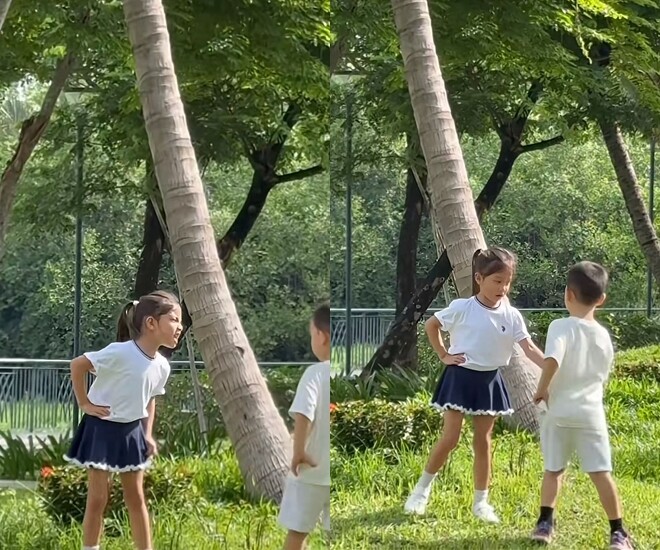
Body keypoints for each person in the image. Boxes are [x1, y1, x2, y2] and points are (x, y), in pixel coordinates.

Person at [404, 247, 545, 523]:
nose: (503, 288)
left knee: (483, 441)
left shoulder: (511, 315)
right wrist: (443, 354)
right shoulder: (462, 308)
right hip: (459, 378)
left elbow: (529, 348)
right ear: (479, 279)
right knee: (451, 438)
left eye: (507, 282)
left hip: (489, 381)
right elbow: (431, 325)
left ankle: (481, 503)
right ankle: (420, 491)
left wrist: (553, 368)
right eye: (497, 281)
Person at [64, 290, 181, 550]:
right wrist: (84, 403)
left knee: (136, 498)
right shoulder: (119, 352)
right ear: (151, 323)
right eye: (174, 319)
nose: (180, 327)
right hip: (102, 429)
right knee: (98, 499)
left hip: (132, 432)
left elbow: (149, 399)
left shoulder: (162, 366)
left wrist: (147, 434)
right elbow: (78, 365)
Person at [530, 262, 633, 549]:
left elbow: (553, 359)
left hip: (559, 412)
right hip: (591, 414)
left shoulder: (560, 326)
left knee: (553, 469)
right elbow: (602, 375)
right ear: (602, 299)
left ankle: (545, 524)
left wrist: (541, 389)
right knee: (601, 473)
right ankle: (618, 532)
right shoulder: (603, 336)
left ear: (568, 294)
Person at [278, 302, 331, 550]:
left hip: (311, 470)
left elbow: (304, 414)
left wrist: (298, 451)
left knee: (298, 532)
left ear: (321, 336)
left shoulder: (315, 373)